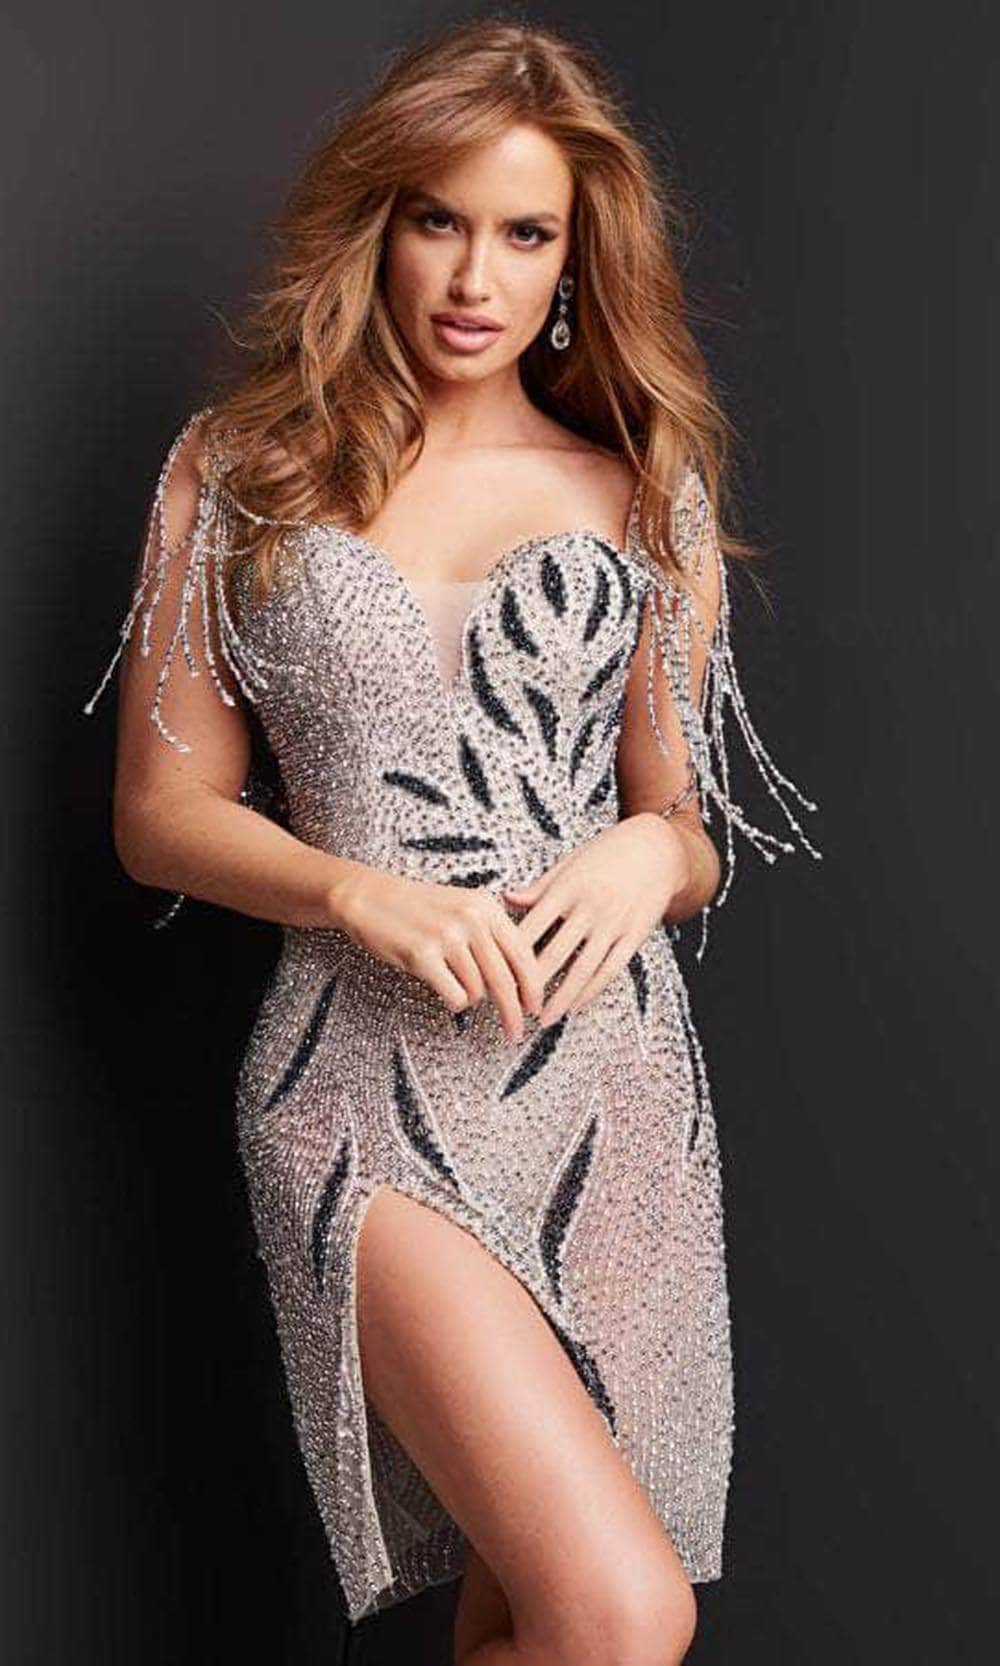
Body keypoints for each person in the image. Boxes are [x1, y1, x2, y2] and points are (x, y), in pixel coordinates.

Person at [83, 19, 821, 1664]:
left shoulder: (643, 487)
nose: (477, 276)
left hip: (608, 1094)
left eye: (525, 232)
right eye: (439, 219)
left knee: (539, 1616)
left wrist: (654, 857)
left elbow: (681, 819)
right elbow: (157, 815)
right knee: (618, 1612)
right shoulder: (238, 472)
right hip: (355, 1087)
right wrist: (353, 888)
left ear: (573, 256)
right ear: (379, 223)